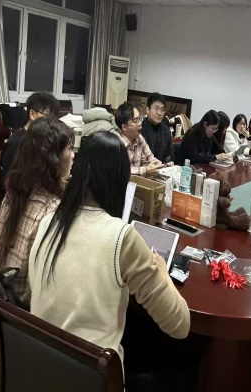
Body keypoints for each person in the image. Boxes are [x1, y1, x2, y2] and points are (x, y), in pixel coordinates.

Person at [29, 131, 190, 373]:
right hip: (92, 375)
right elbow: (179, 325)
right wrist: (162, 272)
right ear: (120, 182)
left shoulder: (48, 221)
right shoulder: (121, 237)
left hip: (40, 367)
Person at [0, 118, 74, 306]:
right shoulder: (52, 209)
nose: (73, 155)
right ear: (53, 158)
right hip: (19, 306)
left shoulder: (15, 192)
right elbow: (41, 288)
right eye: (70, 149)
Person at [0, 92, 60, 183]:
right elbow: (9, 182)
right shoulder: (16, 143)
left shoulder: (45, 139)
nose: (52, 122)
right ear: (32, 114)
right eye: (48, 116)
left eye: (54, 118)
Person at [115, 101, 163, 175]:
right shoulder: (115, 142)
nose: (140, 123)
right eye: (136, 121)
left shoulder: (139, 138)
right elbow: (120, 171)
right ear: (124, 127)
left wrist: (158, 166)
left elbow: (150, 159)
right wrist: (145, 170)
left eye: (140, 119)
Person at [141, 93, 174, 163]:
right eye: (156, 109)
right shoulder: (140, 129)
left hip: (163, 167)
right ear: (148, 110)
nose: (159, 113)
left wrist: (169, 162)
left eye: (162, 110)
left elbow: (170, 155)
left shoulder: (166, 131)